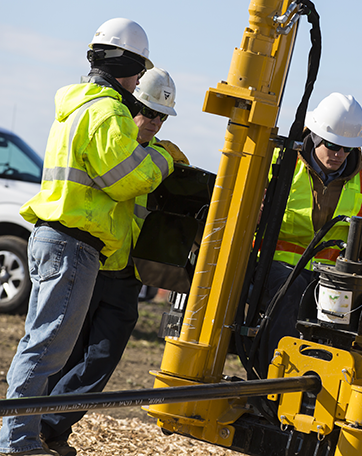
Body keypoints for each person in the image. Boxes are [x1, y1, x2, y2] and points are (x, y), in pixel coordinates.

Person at [0, 19, 173, 456]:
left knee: (41, 344)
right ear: (127, 65)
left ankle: (18, 437)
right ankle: (17, 443)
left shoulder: (77, 104)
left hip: (53, 239)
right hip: (73, 244)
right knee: (46, 349)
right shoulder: (107, 110)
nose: (138, 84)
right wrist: (162, 160)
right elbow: (125, 177)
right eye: (137, 73)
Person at [39, 68, 185, 456]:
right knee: (63, 355)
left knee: (99, 360)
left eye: (161, 117)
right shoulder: (117, 144)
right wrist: (159, 160)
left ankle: (48, 427)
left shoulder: (161, 159)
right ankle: (45, 431)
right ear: (128, 105)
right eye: (148, 112)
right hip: (89, 261)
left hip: (124, 274)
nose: (154, 122)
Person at [261, 92, 362, 362]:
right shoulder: (277, 163)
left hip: (331, 280)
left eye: (347, 148)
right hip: (273, 266)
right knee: (291, 293)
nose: (340, 154)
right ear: (314, 136)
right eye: (333, 146)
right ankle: (270, 382)